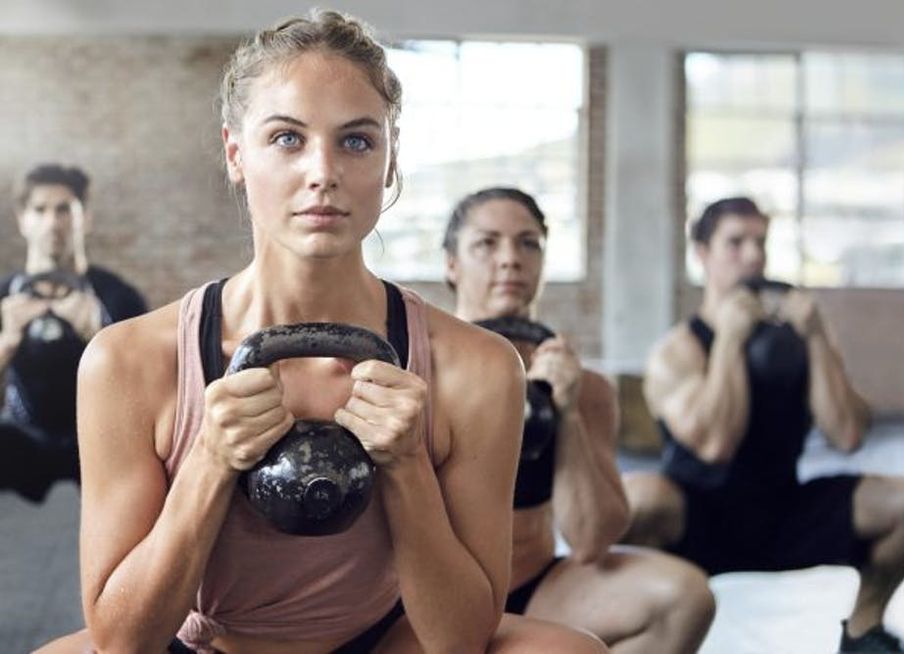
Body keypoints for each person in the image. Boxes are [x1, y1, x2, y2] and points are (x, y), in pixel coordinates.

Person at [38, 10, 609, 654]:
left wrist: (407, 464)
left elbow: (460, 638)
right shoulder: (128, 360)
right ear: (236, 153)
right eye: (287, 138)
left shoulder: (477, 367)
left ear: (391, 162)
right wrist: (209, 461)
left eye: (357, 141)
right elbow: (122, 641)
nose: (323, 172)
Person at [620, 196, 904, 652]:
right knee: (635, 501)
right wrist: (730, 339)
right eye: (735, 243)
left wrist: (814, 337)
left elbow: (848, 434)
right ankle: (639, 631)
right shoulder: (676, 352)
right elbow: (714, 446)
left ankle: (862, 631)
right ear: (702, 254)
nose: (753, 256)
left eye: (760, 243)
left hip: (781, 512)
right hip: (696, 520)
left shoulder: (799, 337)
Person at [443, 187, 715, 653]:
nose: (510, 259)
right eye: (486, 244)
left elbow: (591, 540)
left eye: (528, 243)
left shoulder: (587, 387)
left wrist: (566, 413)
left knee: (684, 598)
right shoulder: (423, 367)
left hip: (535, 586)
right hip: (436, 595)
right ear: (452, 264)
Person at [0, 163, 147, 503]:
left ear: (85, 218)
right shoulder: (5, 296)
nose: (53, 222)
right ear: (23, 220)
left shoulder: (117, 296)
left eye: (64, 209)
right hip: (24, 438)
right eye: (40, 210)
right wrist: (6, 341)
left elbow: (149, 392)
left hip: (98, 440)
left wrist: (98, 331)